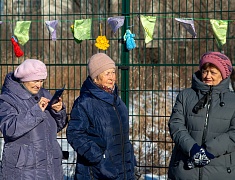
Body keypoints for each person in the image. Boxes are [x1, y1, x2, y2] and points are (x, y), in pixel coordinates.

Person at [66, 53, 136, 180]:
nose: (112, 77)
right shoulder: (85, 102)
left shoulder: (117, 101)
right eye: (107, 73)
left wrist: (130, 157)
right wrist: (99, 159)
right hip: (97, 172)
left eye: (113, 72)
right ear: (96, 78)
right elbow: (74, 134)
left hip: (123, 170)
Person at [167, 51, 235, 179]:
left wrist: (209, 151)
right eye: (205, 71)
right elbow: (176, 124)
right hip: (184, 170)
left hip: (221, 172)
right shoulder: (186, 96)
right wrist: (192, 149)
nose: (208, 75)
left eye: (213, 72)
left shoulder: (233, 100)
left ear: (223, 75)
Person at [0, 59, 67, 180]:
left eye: (41, 81)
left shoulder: (44, 95)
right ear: (24, 79)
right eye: (35, 80)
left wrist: (58, 111)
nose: (39, 85)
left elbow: (57, 127)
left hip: (51, 167)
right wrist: (36, 112)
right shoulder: (7, 99)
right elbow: (10, 129)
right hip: (24, 170)